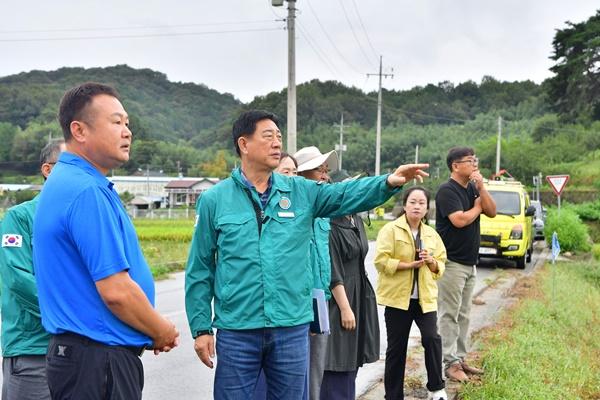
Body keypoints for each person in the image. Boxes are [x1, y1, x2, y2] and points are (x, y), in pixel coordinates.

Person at [185, 109, 429, 400]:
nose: (277, 143)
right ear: (244, 144)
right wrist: (201, 328)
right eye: (268, 136)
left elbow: (345, 194)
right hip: (238, 330)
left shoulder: (301, 192)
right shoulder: (215, 199)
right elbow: (200, 268)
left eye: (279, 136)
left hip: (290, 327)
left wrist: (388, 182)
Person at [33, 82, 179, 399]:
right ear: (79, 130)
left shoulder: (70, 181)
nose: (127, 131)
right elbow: (116, 292)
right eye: (116, 122)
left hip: (85, 359)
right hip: (98, 363)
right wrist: (160, 330)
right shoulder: (86, 190)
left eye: (127, 123)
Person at [0, 139, 65, 400]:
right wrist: (71, 315)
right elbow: (19, 279)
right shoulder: (20, 217)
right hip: (33, 352)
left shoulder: (80, 218)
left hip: (77, 352)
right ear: (48, 170)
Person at [374, 186, 447, 400]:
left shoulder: (431, 235)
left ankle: (436, 388)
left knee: (432, 339)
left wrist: (431, 262)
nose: (417, 206)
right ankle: (393, 396)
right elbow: (380, 261)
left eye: (421, 203)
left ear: (427, 208)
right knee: (396, 349)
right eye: (413, 202)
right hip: (398, 301)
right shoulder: (390, 230)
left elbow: (441, 265)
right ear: (405, 205)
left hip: (425, 300)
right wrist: (408, 265)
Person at [435, 147, 496, 382]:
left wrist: (481, 188)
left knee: (464, 314)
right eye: (469, 161)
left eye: (475, 160)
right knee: (449, 314)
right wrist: (477, 207)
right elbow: (459, 220)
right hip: (451, 262)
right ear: (455, 166)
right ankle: (449, 363)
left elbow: (491, 211)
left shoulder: (472, 187)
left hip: (470, 262)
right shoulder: (446, 191)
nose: (474, 164)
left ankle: (459, 359)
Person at [320, 204, 380, 400]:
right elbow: (333, 272)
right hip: (341, 298)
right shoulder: (330, 225)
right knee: (338, 360)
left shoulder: (355, 219)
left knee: (352, 363)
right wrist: (345, 308)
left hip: (359, 294)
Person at [295, 146, 338, 400]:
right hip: (300, 301)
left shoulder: (324, 214)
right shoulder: (293, 211)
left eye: (326, 171)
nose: (325, 176)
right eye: (318, 170)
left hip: (320, 298)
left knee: (315, 373)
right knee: (296, 375)